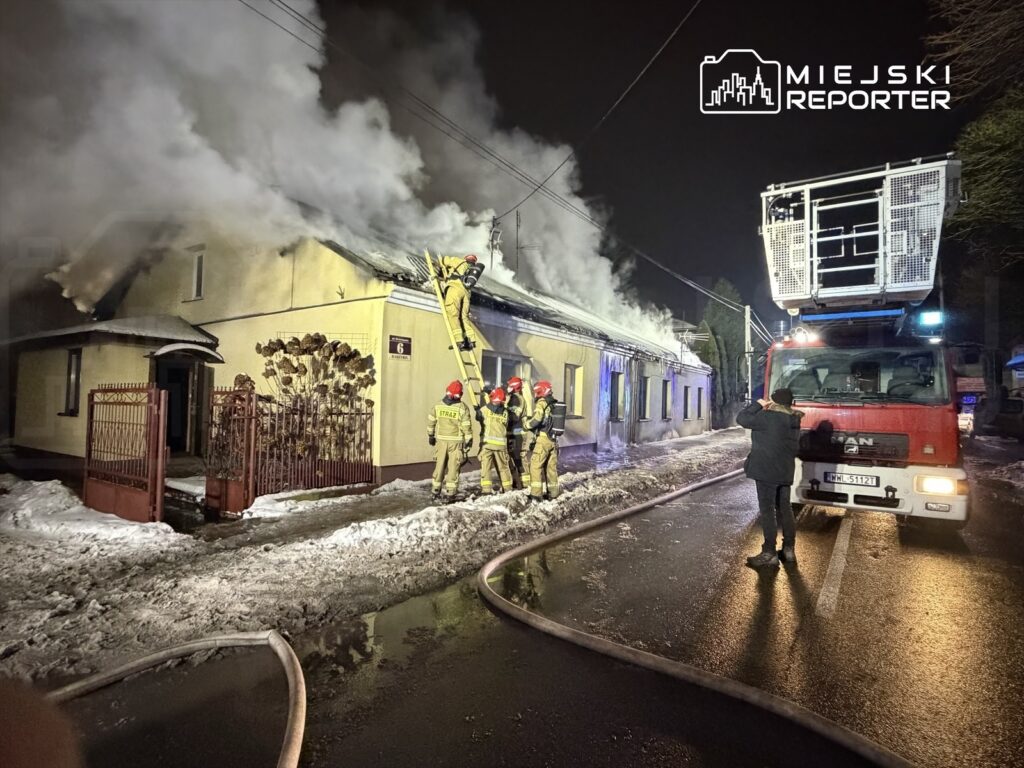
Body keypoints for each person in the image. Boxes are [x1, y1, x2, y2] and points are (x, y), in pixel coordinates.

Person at [737, 388, 804, 568]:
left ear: (774, 402)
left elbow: (742, 418)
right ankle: (789, 550)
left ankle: (769, 553)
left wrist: (758, 404)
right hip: (784, 472)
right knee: (785, 508)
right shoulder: (794, 419)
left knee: (767, 511)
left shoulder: (767, 418)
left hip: (767, 472)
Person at [427, 380, 474, 501]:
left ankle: (435, 491)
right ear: (460, 394)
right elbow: (466, 426)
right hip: (456, 443)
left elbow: (431, 421)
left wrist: (431, 436)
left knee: (439, 466)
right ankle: (450, 493)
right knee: (453, 468)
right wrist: (469, 440)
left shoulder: (438, 405)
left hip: (441, 441)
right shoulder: (462, 408)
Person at [525, 380, 559, 502]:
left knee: (535, 466)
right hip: (554, 440)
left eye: (536, 391)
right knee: (551, 468)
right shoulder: (553, 403)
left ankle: (536, 494)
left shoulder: (542, 402)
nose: (535, 394)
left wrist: (527, 424)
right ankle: (553, 493)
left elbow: (537, 419)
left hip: (543, 439)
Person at [477, 387, 514, 494]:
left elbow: (478, 417)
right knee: (503, 468)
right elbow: (506, 424)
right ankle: (507, 488)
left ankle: (486, 490)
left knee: (486, 468)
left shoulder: (484, 410)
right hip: (501, 445)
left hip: (487, 445)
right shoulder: (505, 413)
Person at [440, 253, 479, 351]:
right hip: (466, 295)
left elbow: (445, 260)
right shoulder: (472, 271)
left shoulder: (460, 262)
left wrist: (442, 261)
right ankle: (470, 341)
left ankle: (459, 341)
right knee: (463, 317)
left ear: (466, 259)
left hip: (455, 289)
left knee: (452, 313)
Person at [504, 376, 531, 489]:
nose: (507, 387)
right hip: (511, 433)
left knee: (519, 458)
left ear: (514, 387)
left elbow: (515, 417)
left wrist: (503, 409)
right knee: (511, 457)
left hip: (518, 433)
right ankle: (516, 481)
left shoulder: (518, 399)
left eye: (510, 386)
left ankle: (525, 483)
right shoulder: (511, 398)